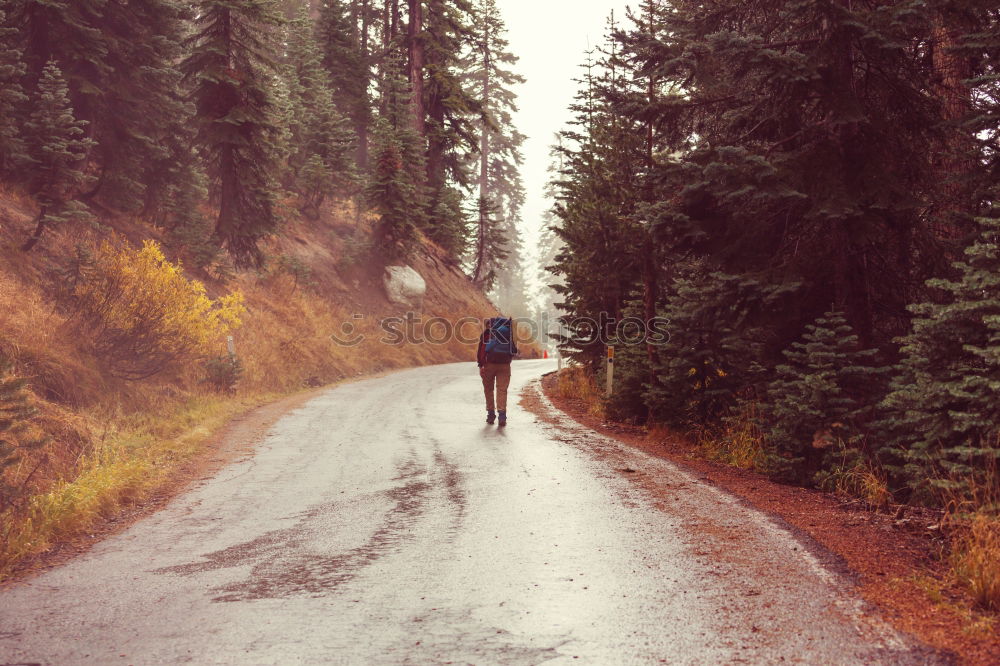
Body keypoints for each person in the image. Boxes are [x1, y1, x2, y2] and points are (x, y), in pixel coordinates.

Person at [477, 316, 518, 426]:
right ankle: (502, 416)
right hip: (505, 365)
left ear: (489, 325)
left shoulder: (487, 334)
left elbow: (481, 350)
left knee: (488, 389)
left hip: (489, 365)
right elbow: (514, 349)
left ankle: (491, 415)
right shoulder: (508, 334)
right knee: (502, 390)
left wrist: (481, 365)